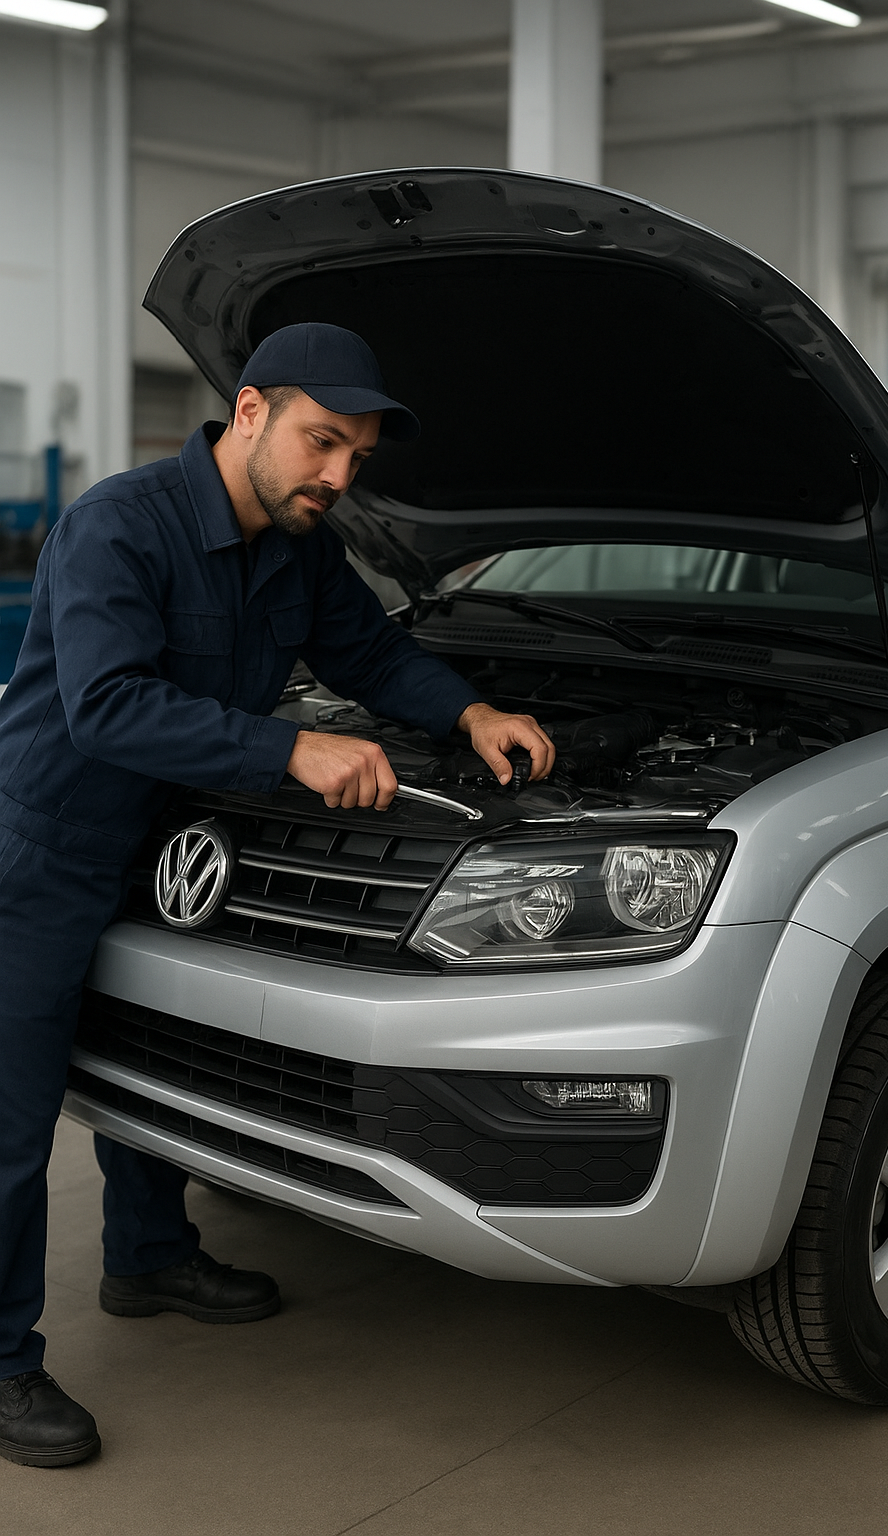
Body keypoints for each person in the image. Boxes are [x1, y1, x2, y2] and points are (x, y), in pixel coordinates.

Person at [0, 322, 555, 1467]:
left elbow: (371, 656)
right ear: (248, 414)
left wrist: (468, 713)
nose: (338, 477)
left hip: (168, 841)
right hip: (40, 854)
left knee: (157, 1062)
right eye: (319, 442)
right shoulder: (119, 526)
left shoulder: (301, 548)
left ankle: (147, 1258)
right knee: (11, 1125)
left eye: (355, 455)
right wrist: (286, 751)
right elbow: (106, 705)